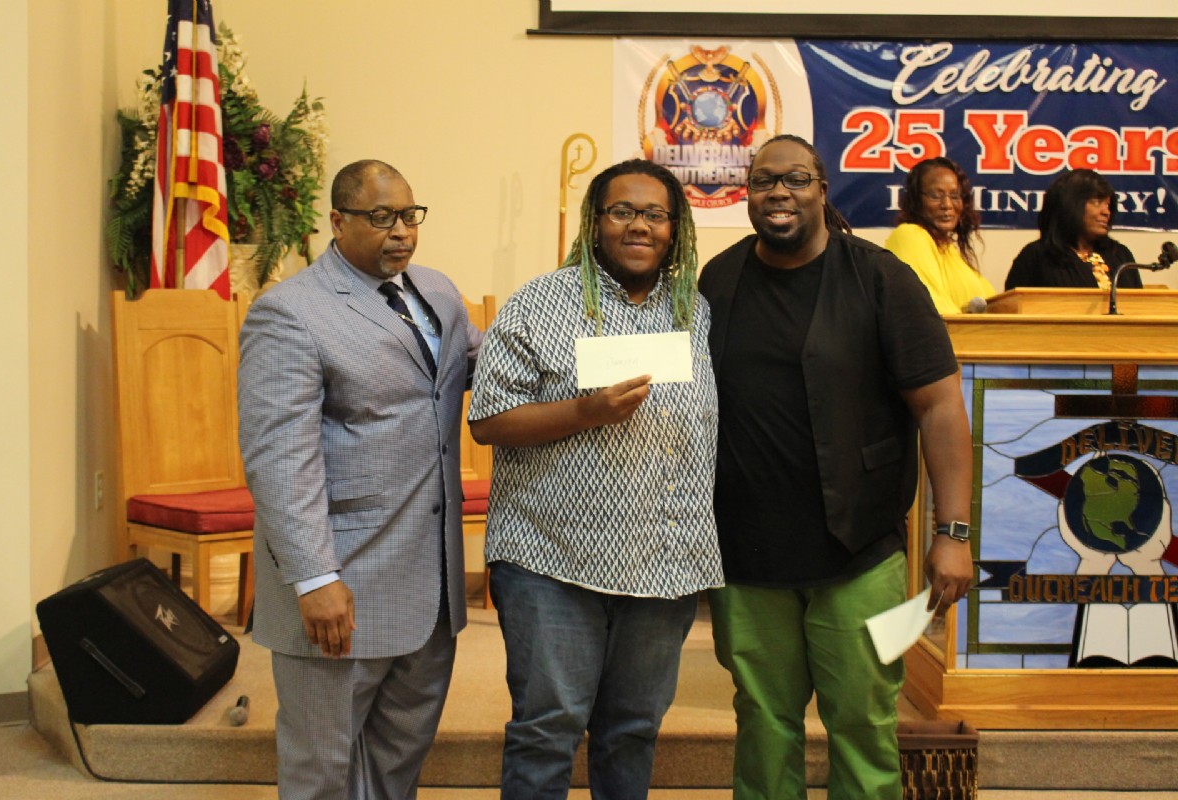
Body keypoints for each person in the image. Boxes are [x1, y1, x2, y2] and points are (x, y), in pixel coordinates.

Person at [699, 135, 974, 800]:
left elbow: (940, 407)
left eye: (795, 179)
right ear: (747, 194)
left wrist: (953, 533)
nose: (778, 192)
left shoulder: (882, 279)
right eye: (763, 181)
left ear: (822, 190)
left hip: (860, 551)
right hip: (748, 553)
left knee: (862, 721)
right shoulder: (719, 279)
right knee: (763, 723)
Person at [468, 158, 722, 800]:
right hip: (552, 560)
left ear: (675, 227)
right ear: (595, 221)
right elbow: (487, 422)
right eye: (623, 211)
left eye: (655, 214)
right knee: (547, 730)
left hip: (663, 563)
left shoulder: (695, 312)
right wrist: (587, 412)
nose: (639, 226)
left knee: (632, 731)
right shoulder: (538, 304)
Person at [238, 159, 482, 800]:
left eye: (409, 215)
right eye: (380, 217)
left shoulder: (436, 290)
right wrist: (315, 577)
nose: (401, 231)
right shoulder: (289, 312)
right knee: (323, 768)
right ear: (338, 221)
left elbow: (488, 366)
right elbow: (279, 458)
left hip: (429, 580)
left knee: (399, 756)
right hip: (342, 577)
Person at [884, 157, 994, 314]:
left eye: (955, 196)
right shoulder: (909, 235)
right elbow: (928, 309)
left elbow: (996, 303)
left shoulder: (949, 250)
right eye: (935, 196)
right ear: (916, 200)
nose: (947, 205)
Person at [1005, 168, 1141, 290]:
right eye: (1097, 202)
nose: (1106, 212)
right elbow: (1013, 307)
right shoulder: (1036, 257)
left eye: (1108, 205)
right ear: (1069, 205)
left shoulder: (1120, 255)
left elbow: (1140, 305)